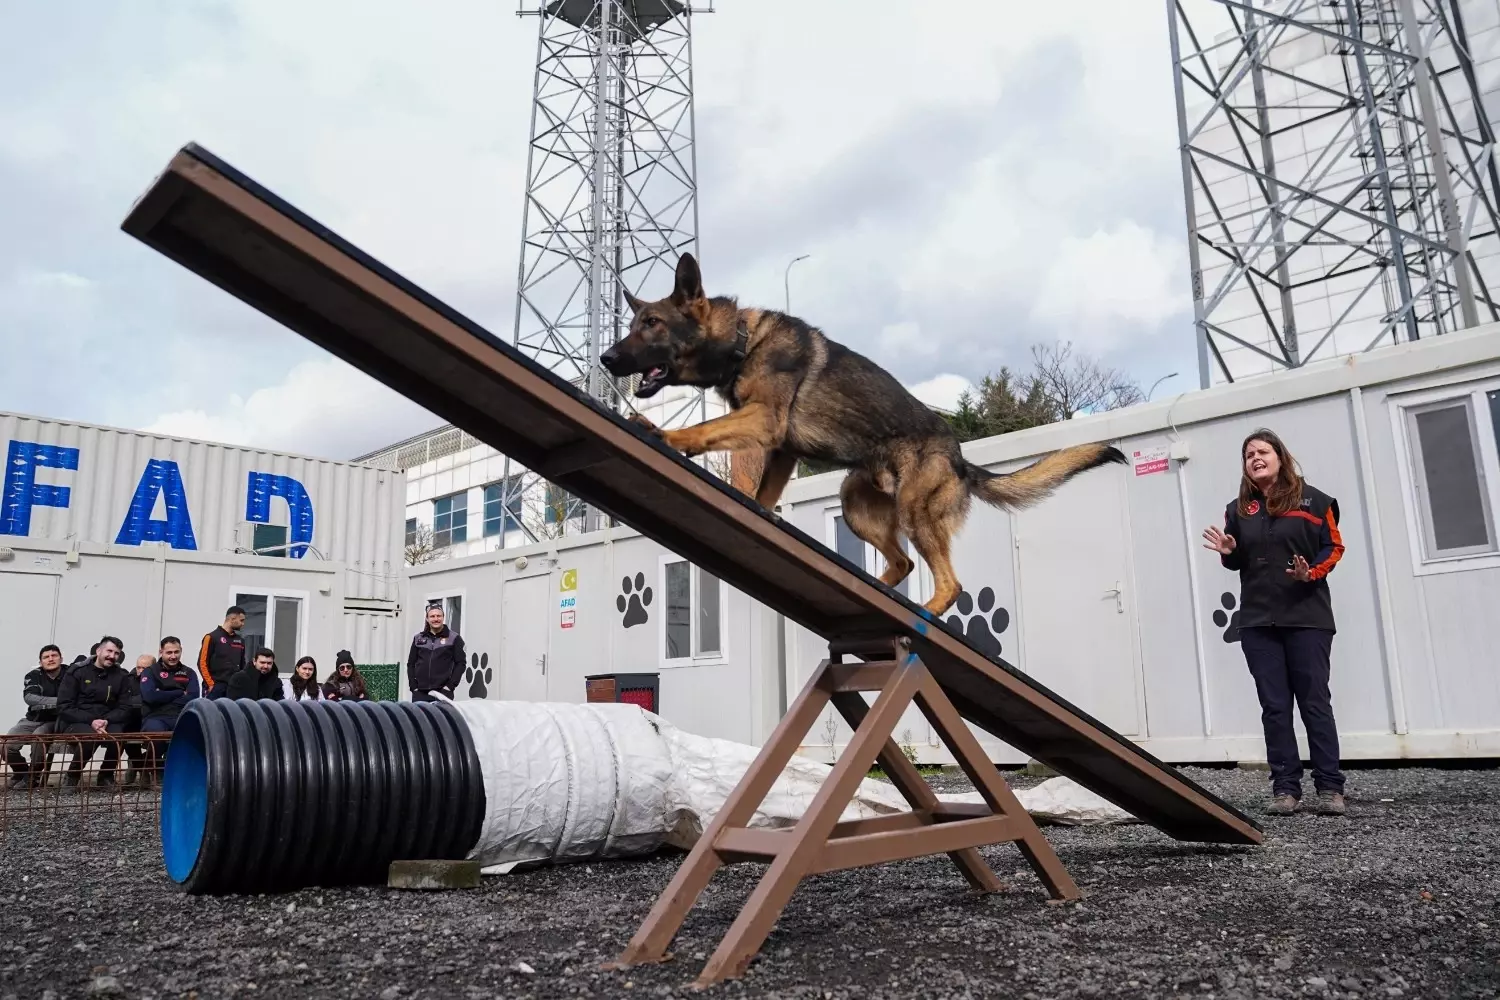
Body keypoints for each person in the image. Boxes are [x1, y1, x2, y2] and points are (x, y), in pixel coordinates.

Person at [1203, 428, 1347, 817]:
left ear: (1280, 456)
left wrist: (1310, 573)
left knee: (1314, 702)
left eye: (1262, 451)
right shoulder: (1238, 509)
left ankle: (1330, 787)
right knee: (1275, 706)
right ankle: (1286, 789)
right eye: (1249, 454)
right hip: (1257, 621)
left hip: (1307, 618)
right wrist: (1229, 552)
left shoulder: (1315, 500)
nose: (1255, 457)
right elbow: (1237, 559)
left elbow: (1333, 548)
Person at [56, 636, 142, 787]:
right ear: (99, 650)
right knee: (90, 737)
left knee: (118, 736)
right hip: (77, 720)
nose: (112, 656)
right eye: (109, 651)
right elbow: (64, 706)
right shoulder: (77, 672)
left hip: (107, 720)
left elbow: (125, 707)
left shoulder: (121, 676)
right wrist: (91, 721)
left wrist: (106, 720)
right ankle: (72, 776)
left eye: (116, 653)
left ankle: (105, 776)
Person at [6, 644, 66, 788]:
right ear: (41, 662)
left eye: (54, 656)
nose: (50, 659)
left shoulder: (70, 674)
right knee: (6, 745)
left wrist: (44, 702)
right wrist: (61, 701)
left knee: (38, 738)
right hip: (33, 719)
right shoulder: (33, 675)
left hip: (55, 721)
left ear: (61, 658)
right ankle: (21, 772)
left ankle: (32, 777)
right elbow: (30, 698)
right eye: (46, 657)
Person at [406, 603, 465, 702]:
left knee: (442, 718)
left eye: (439, 616)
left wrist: (450, 686)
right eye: (432, 616)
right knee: (420, 718)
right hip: (420, 692)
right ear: (427, 619)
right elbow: (411, 664)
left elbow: (461, 664)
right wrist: (413, 687)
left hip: (443, 692)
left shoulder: (454, 638)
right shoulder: (418, 638)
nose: (436, 619)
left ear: (443, 617)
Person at [198, 605, 248, 699]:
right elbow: (202, 663)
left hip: (233, 688)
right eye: (241, 620)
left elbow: (242, 666)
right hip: (215, 687)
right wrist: (211, 685)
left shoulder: (240, 640)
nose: (243, 624)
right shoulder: (211, 637)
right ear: (232, 619)